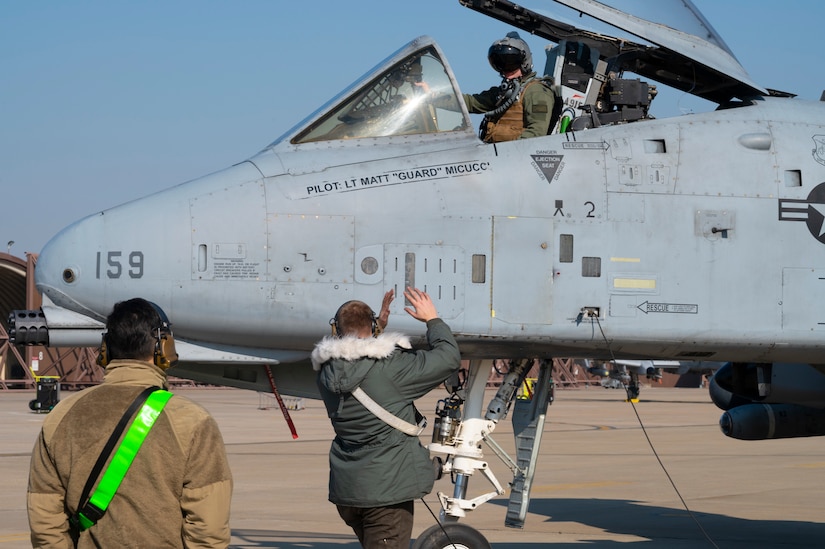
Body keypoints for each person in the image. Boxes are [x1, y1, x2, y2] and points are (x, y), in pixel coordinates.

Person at [27, 298, 233, 548]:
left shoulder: (61, 417)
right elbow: (208, 531)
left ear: (106, 349)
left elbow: (45, 522)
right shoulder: (192, 421)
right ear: (164, 347)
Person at [311, 288, 461, 549]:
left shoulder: (327, 372)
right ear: (371, 326)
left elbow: (355, 355)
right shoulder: (391, 367)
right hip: (385, 495)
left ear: (335, 331)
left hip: (350, 491)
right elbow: (449, 358)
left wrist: (376, 329)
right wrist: (432, 320)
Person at [463, 31, 557, 143]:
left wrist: (510, 151)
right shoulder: (503, 92)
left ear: (524, 62)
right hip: (494, 154)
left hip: (515, 156)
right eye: (501, 64)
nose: (506, 69)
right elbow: (471, 102)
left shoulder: (536, 91)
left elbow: (537, 132)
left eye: (511, 63)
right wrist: (437, 98)